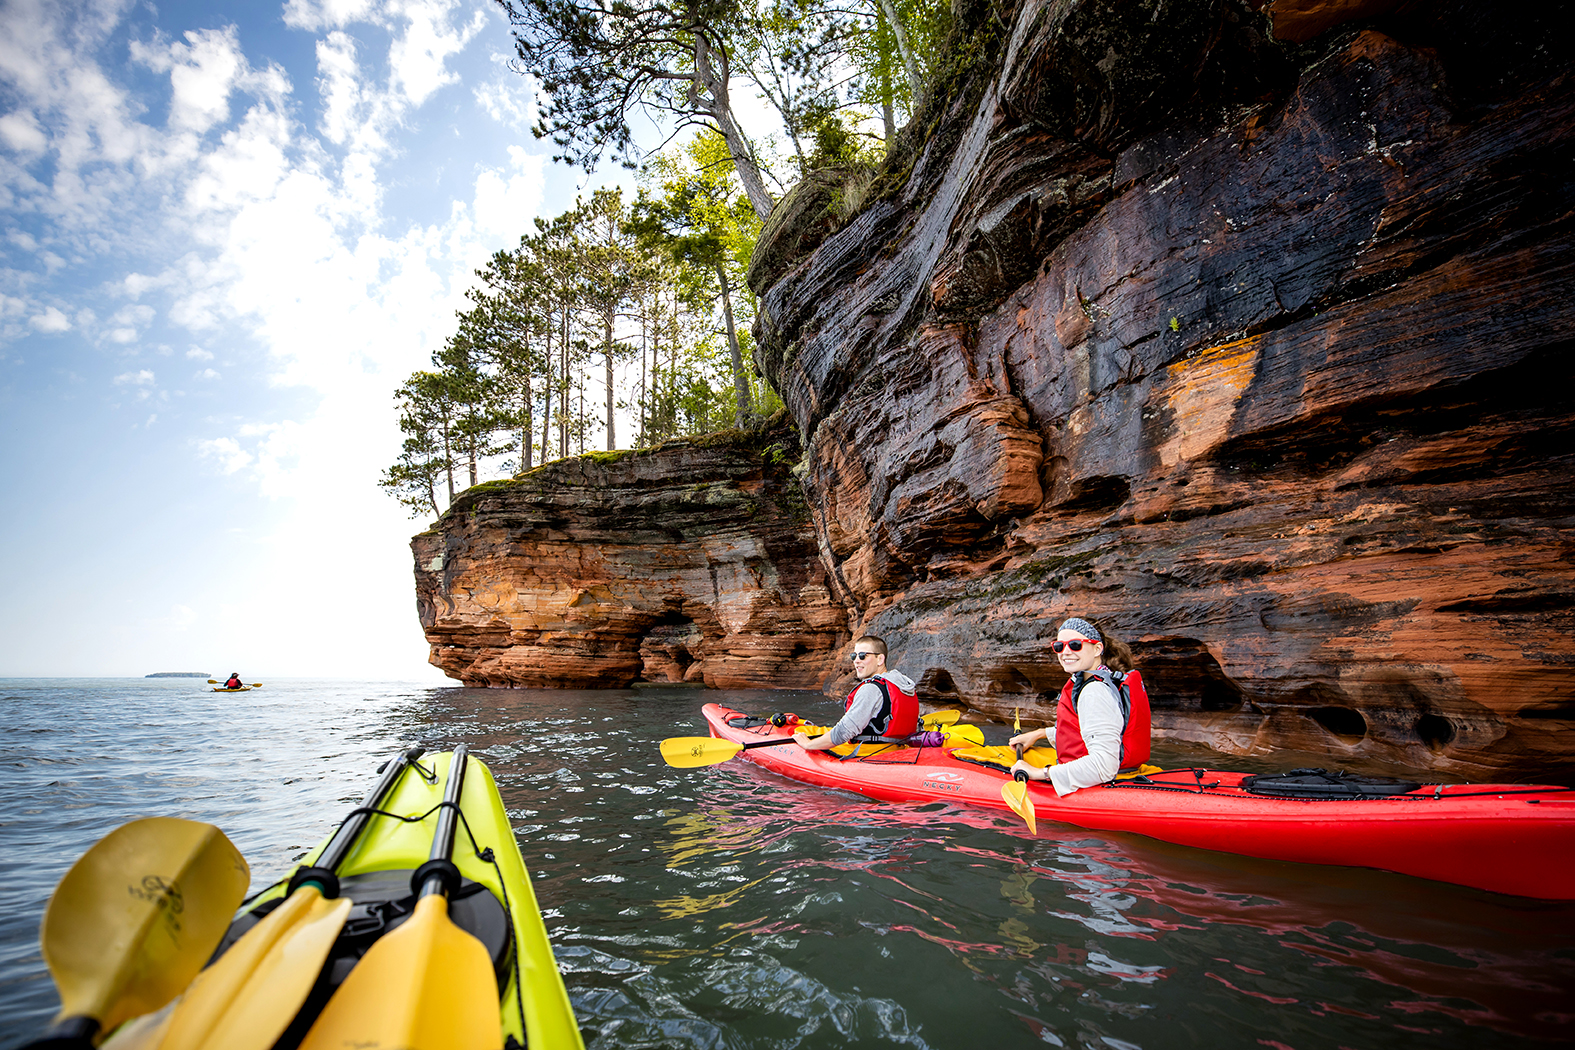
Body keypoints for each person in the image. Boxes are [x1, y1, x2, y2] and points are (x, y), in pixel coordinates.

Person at [1009, 617, 1150, 795]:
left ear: (1097, 648)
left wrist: (1041, 773)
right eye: (1059, 646)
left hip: (1107, 780)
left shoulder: (1094, 691)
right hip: (1126, 772)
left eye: (1075, 645)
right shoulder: (1106, 678)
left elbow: (1104, 766)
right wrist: (1040, 734)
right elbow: (1082, 730)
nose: (1065, 652)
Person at [793, 636, 921, 751]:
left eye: (863, 656)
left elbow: (844, 732)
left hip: (872, 754)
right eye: (854, 656)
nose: (856, 661)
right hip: (900, 750)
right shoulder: (903, 685)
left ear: (880, 659)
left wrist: (808, 744)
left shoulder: (871, 689)